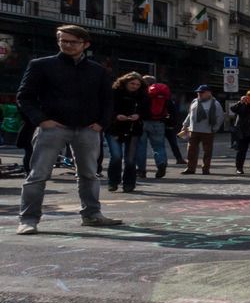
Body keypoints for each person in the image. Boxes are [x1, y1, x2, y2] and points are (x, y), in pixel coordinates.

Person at [16, 25, 121, 234]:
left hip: (88, 129)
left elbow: (108, 101)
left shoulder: (98, 70)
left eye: (73, 42)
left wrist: (101, 124)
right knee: (37, 175)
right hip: (52, 128)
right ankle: (28, 220)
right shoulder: (41, 65)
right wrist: (41, 120)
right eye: (63, 41)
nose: (67, 45)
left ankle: (92, 215)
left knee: (89, 175)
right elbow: (24, 97)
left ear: (85, 44)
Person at [107, 72, 148, 192]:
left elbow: (147, 112)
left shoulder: (143, 96)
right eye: (132, 83)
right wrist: (116, 115)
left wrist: (138, 115)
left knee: (130, 159)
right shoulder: (114, 93)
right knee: (116, 156)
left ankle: (129, 183)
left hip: (133, 129)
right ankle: (113, 182)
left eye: (137, 84)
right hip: (114, 128)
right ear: (125, 82)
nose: (135, 86)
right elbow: (106, 108)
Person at [180, 85, 224, 175]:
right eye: (198, 92)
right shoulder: (195, 101)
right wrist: (185, 124)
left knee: (207, 151)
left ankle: (205, 169)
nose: (199, 94)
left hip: (207, 131)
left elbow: (220, 117)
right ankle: (190, 168)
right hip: (194, 130)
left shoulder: (215, 103)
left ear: (208, 93)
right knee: (191, 151)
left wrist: (214, 128)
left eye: (202, 92)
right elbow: (190, 114)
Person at [136, 76, 171, 179]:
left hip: (142, 122)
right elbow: (170, 107)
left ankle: (141, 171)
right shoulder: (163, 93)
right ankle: (161, 163)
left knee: (141, 147)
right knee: (159, 146)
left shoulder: (142, 93)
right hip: (158, 122)